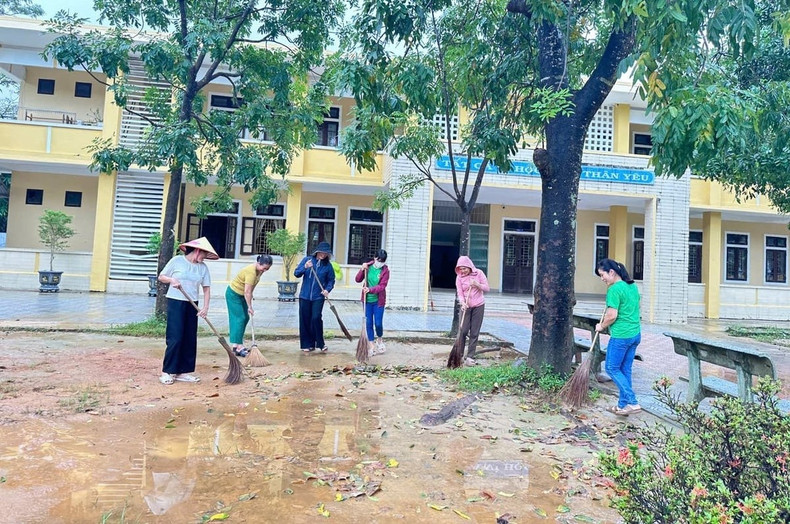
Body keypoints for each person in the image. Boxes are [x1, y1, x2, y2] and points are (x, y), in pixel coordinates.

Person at [157, 236, 218, 385]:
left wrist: (205, 308)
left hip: (192, 304)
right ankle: (167, 371)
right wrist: (172, 280)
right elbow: (161, 277)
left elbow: (206, 288)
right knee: (175, 337)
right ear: (197, 251)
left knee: (189, 338)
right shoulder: (177, 261)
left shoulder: (203, 267)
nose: (204, 257)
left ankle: (183, 372)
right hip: (176, 302)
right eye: (204, 254)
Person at [595, 258, 642, 416]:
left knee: (611, 368)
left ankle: (633, 402)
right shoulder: (632, 286)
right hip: (635, 334)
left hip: (621, 336)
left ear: (612, 272)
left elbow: (612, 315)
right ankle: (622, 406)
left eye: (602, 275)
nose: (602, 279)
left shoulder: (614, 290)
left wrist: (601, 326)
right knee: (624, 370)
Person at [225, 254, 273, 356]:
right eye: (264, 268)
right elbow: (247, 291)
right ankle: (239, 346)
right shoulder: (250, 272)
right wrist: (250, 307)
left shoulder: (259, 271)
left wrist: (251, 296)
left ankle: (235, 345)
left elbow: (251, 288)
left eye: (267, 269)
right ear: (259, 263)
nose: (265, 270)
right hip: (233, 294)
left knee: (245, 318)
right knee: (239, 318)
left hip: (243, 294)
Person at [294, 241, 335, 352]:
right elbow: (296, 273)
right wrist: (305, 267)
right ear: (317, 251)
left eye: (326, 253)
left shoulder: (328, 266)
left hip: (318, 297)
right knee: (305, 319)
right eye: (322, 252)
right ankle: (307, 344)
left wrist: (327, 290)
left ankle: (320, 343)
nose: (323, 255)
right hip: (305, 296)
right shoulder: (307, 260)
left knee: (316, 318)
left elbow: (331, 280)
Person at [455, 255, 490, 366]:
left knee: (474, 332)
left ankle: (470, 357)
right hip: (466, 306)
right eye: (460, 269)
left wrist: (477, 284)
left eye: (464, 268)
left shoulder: (479, 273)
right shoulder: (459, 278)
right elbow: (460, 292)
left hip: (478, 305)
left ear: (469, 266)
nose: (463, 271)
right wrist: (462, 302)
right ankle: (459, 355)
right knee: (463, 331)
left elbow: (487, 288)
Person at [355, 249, 390, 355]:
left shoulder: (385, 271)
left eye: (382, 261)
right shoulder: (368, 267)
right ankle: (371, 345)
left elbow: (382, 286)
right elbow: (357, 279)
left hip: (378, 301)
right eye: (379, 260)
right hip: (367, 300)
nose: (380, 263)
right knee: (369, 323)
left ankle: (379, 339)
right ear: (375, 258)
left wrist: (370, 289)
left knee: (378, 323)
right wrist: (362, 269)